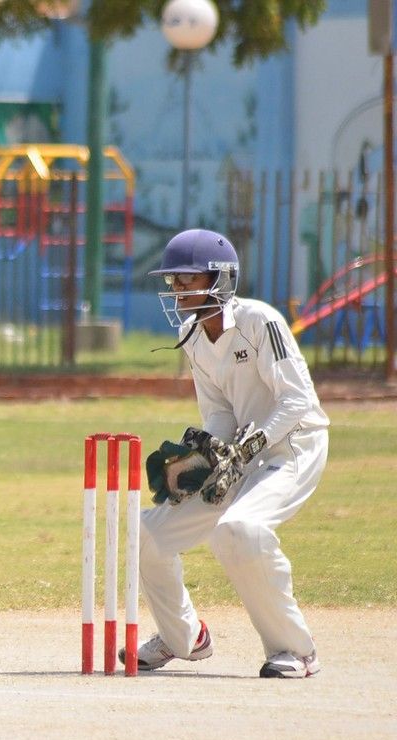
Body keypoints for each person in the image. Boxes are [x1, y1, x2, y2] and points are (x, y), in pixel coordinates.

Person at [123, 228, 330, 678]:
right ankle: (185, 637)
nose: (177, 289)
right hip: (241, 455)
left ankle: (295, 650)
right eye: (173, 280)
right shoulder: (192, 334)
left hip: (294, 446)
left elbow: (297, 399)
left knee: (239, 530)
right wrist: (202, 455)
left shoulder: (260, 322)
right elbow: (219, 413)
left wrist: (255, 441)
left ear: (220, 278)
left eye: (187, 279)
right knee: (147, 531)